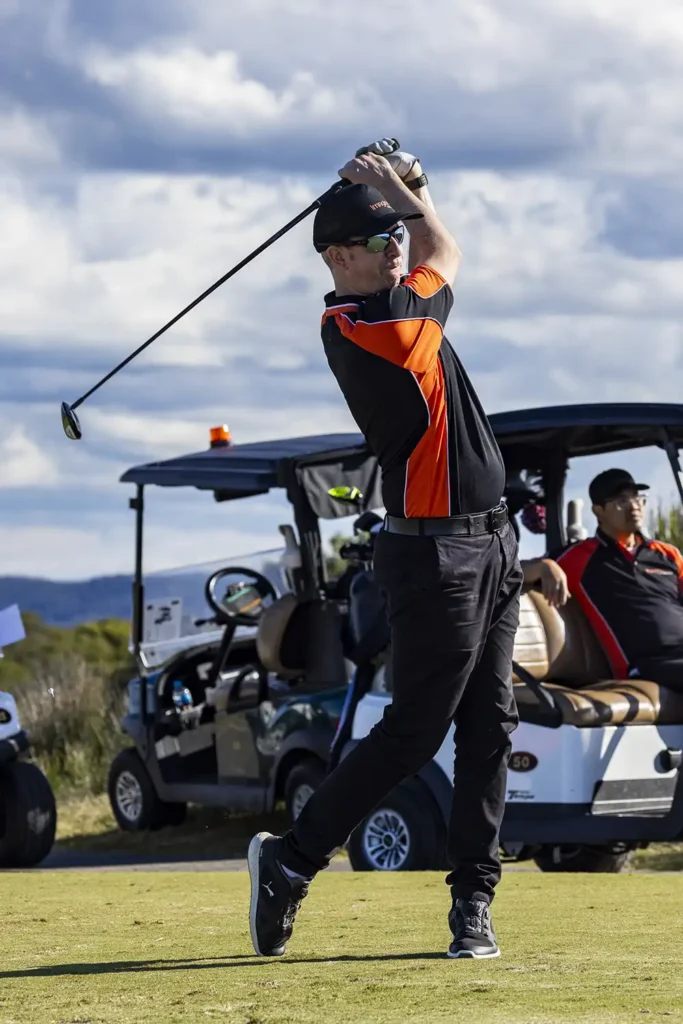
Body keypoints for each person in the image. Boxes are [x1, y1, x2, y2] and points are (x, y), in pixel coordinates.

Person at [247, 139, 522, 961]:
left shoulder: (399, 299)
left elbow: (429, 243)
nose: (392, 245)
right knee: (412, 731)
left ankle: (472, 905)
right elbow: (447, 248)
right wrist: (403, 194)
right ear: (336, 256)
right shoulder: (369, 328)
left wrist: (403, 184)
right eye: (375, 240)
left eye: (390, 236)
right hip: (432, 560)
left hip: (493, 543)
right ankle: (291, 862)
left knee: (490, 730)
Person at [522, 468, 683, 689]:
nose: (633, 506)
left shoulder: (668, 554)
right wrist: (545, 566)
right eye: (621, 501)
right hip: (645, 665)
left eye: (637, 498)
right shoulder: (580, 557)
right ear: (598, 511)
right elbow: (511, 572)